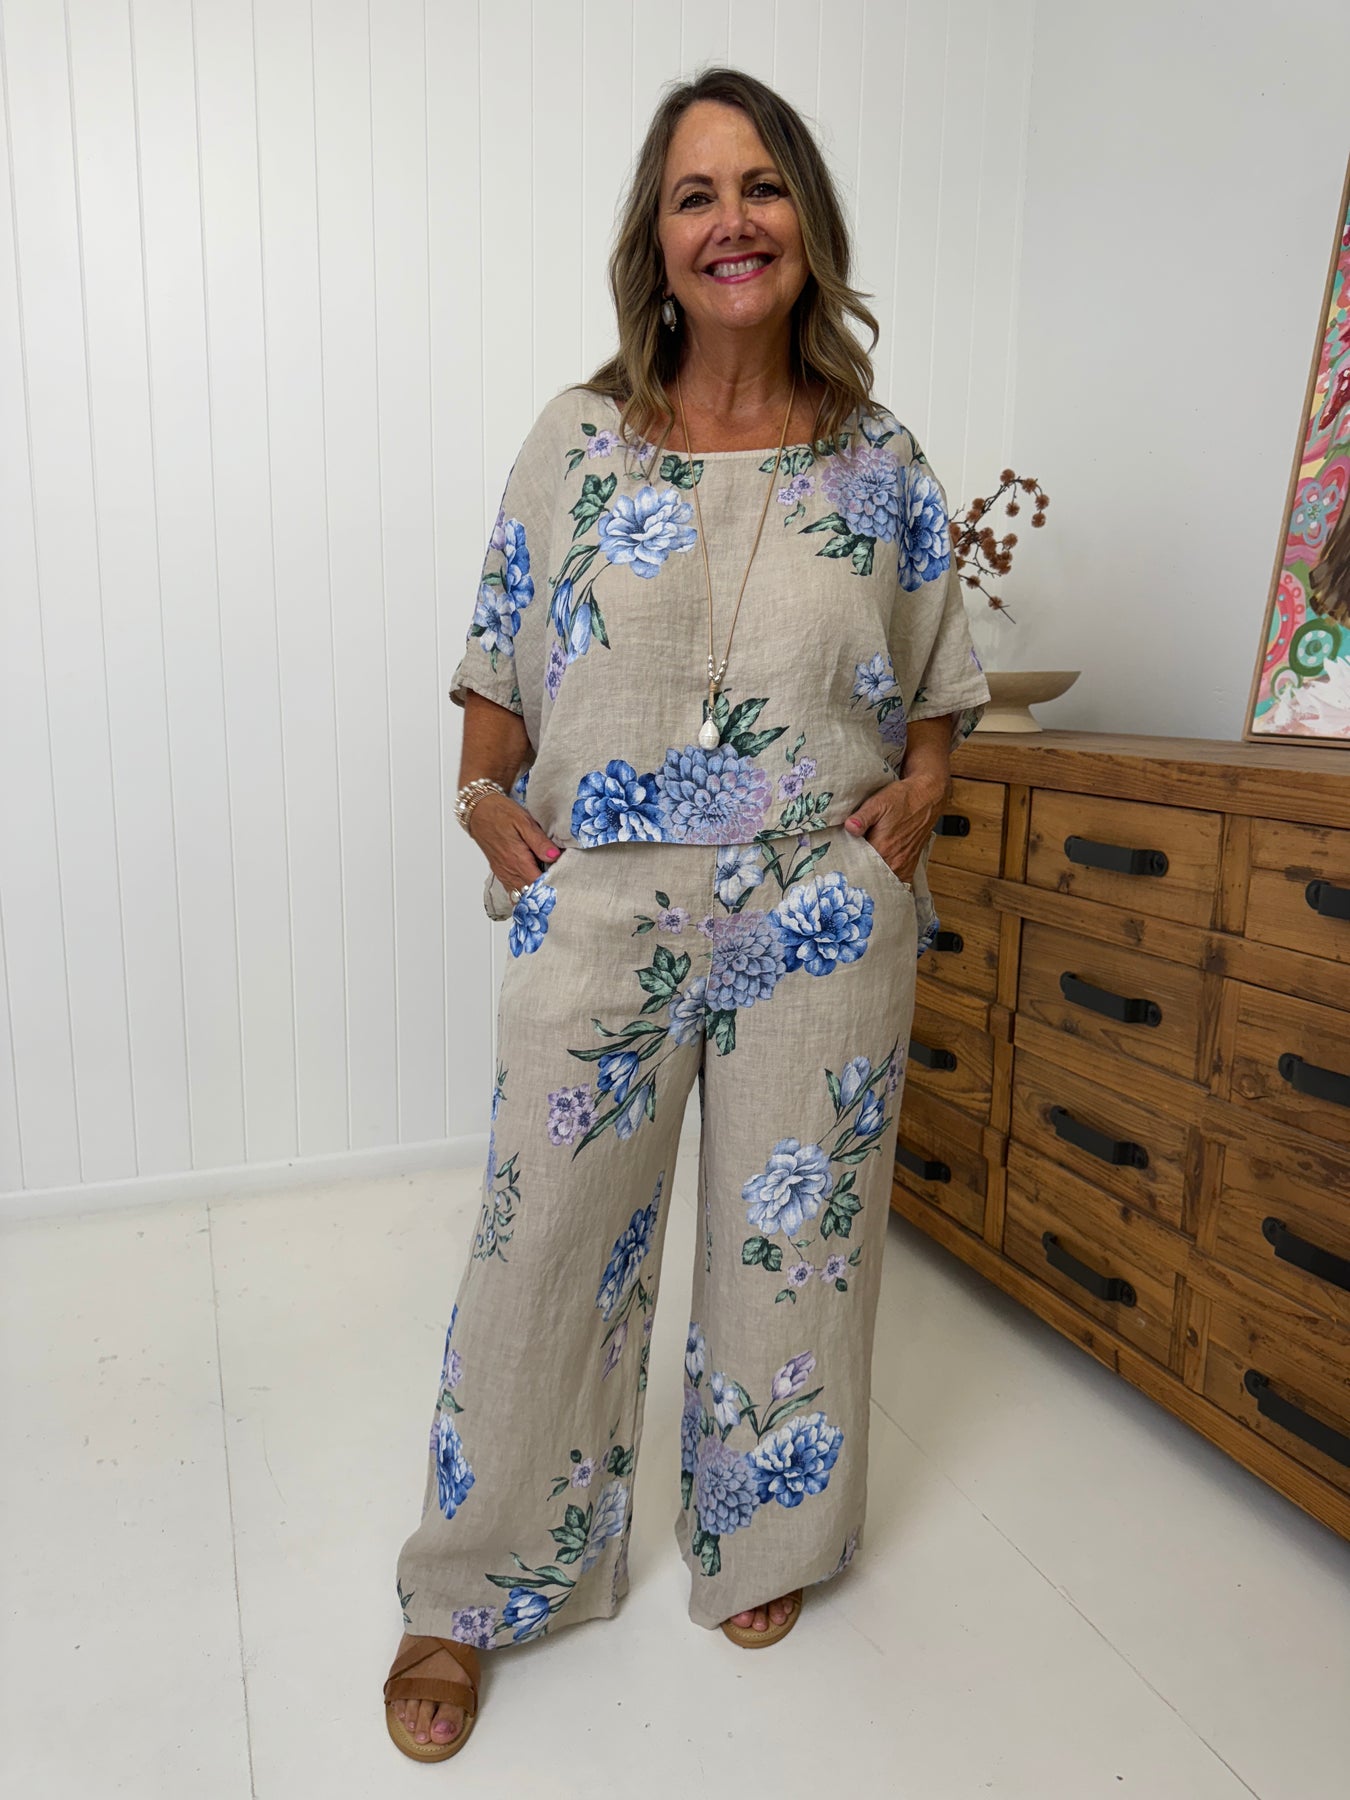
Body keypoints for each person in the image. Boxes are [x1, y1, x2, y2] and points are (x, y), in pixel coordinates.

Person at [383, 65, 990, 1762]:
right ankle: (479, 1582)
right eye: (695, 195)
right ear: (654, 243)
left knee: (792, 1243)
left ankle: (763, 1530)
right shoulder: (572, 442)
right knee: (540, 1244)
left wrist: (917, 801)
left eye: (761, 186)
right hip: (601, 898)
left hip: (820, 910)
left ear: (807, 222)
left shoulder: (879, 458)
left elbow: (938, 682)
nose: (733, 221)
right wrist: (483, 802)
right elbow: (495, 670)